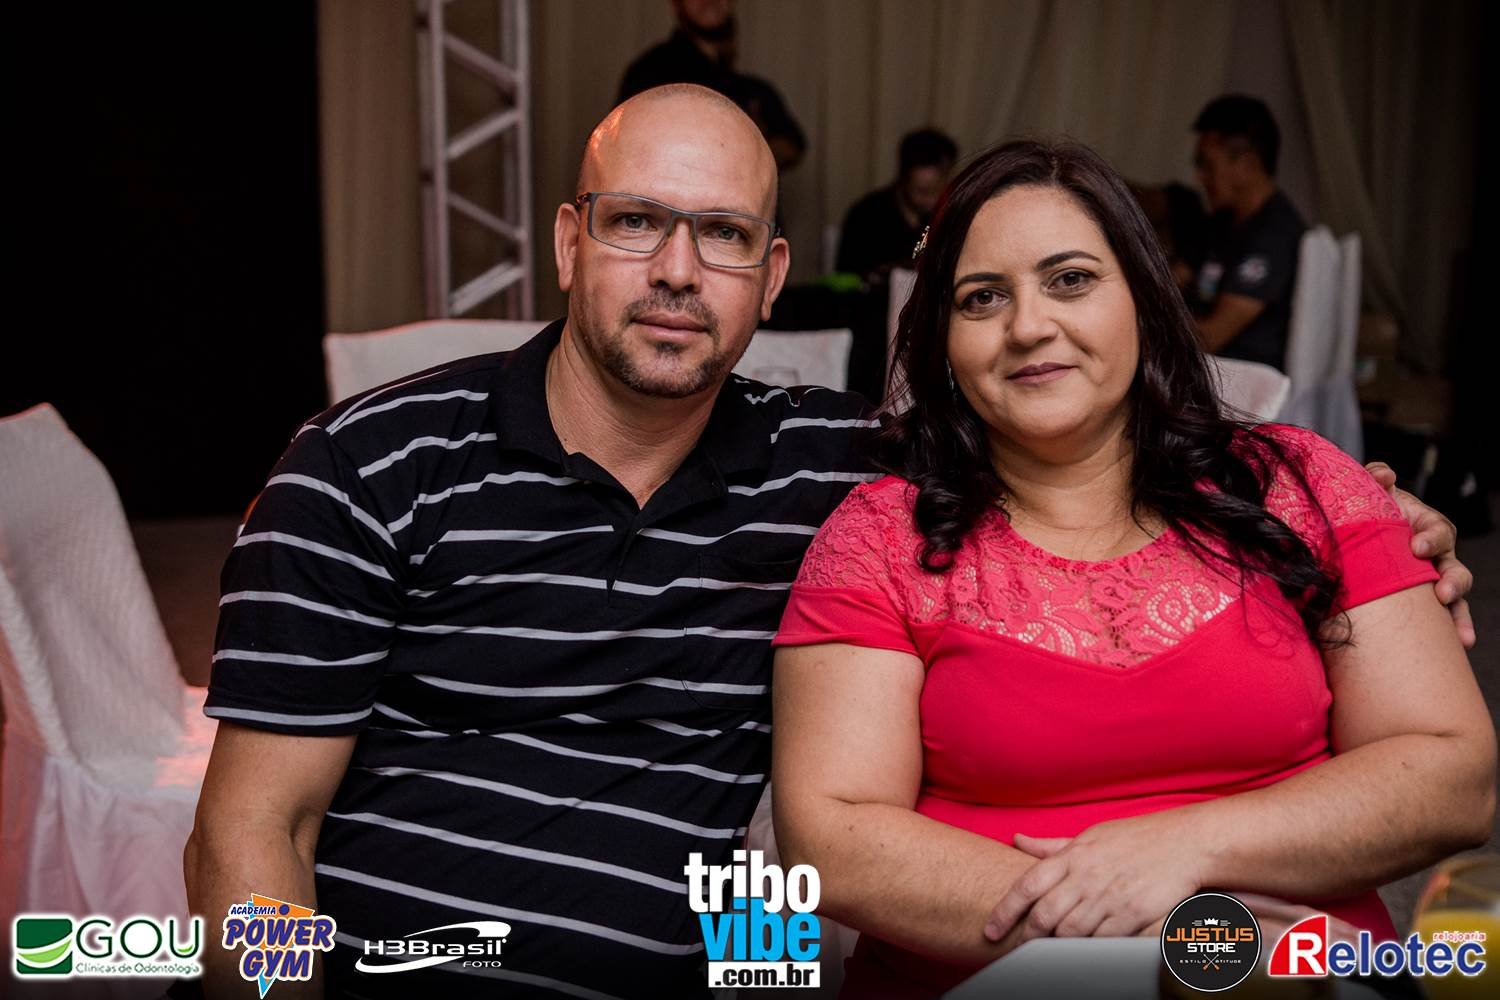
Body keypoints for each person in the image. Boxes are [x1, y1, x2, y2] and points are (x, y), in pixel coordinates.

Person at [184, 90, 1471, 998]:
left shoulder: (847, 468)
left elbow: (1059, 437)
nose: (678, 269)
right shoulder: (366, 463)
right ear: (571, 242)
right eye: (636, 222)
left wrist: (1376, 523)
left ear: (772, 271)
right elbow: (253, 834)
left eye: (724, 235)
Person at [769, 138, 1494, 998]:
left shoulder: (1297, 485)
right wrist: (1158, 937)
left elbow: (1453, 775)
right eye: (982, 297)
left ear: (1143, 299)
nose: (1028, 325)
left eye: (1071, 279)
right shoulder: (880, 537)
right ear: (945, 341)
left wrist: (1183, 848)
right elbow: (834, 841)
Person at [1186, 94, 1307, 370]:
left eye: (1207, 164)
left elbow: (1210, 337)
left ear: (1247, 163)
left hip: (1237, 378)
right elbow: (1164, 279)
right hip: (1198, 367)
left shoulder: (1275, 236)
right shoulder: (1220, 222)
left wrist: (1140, 326)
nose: (1199, 177)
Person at [619, 0, 806, 171]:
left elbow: (793, 144)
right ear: (676, 4)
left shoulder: (752, 88)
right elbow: (626, 147)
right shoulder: (650, 70)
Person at [837, 128, 958, 283]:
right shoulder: (866, 215)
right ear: (904, 178)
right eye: (922, 191)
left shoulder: (949, 214)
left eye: (939, 190)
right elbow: (848, 277)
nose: (932, 200)